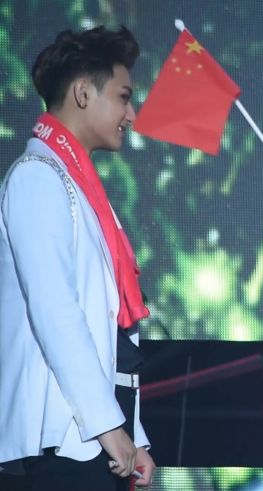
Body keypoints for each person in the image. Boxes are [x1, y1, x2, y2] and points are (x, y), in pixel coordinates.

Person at [0, 26, 154, 490]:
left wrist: (133, 432)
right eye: (124, 97)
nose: (131, 114)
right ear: (83, 93)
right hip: (61, 434)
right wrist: (110, 427)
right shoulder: (37, 176)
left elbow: (109, 329)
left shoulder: (79, 186)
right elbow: (56, 310)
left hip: (91, 430)